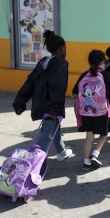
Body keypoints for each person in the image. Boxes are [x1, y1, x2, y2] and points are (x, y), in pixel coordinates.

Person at [13, 30, 72, 161]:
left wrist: (19, 102)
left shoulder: (43, 62)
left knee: (54, 125)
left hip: (41, 103)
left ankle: (61, 151)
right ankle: (33, 162)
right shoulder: (61, 64)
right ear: (62, 48)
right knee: (46, 131)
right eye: (65, 48)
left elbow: (30, 82)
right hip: (50, 105)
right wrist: (54, 109)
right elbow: (58, 87)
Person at [72, 50, 110, 171]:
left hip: (85, 111)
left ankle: (86, 162)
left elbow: (74, 93)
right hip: (101, 110)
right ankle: (95, 154)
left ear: (89, 62)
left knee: (89, 136)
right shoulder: (106, 75)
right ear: (102, 61)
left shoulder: (84, 74)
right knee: (104, 133)